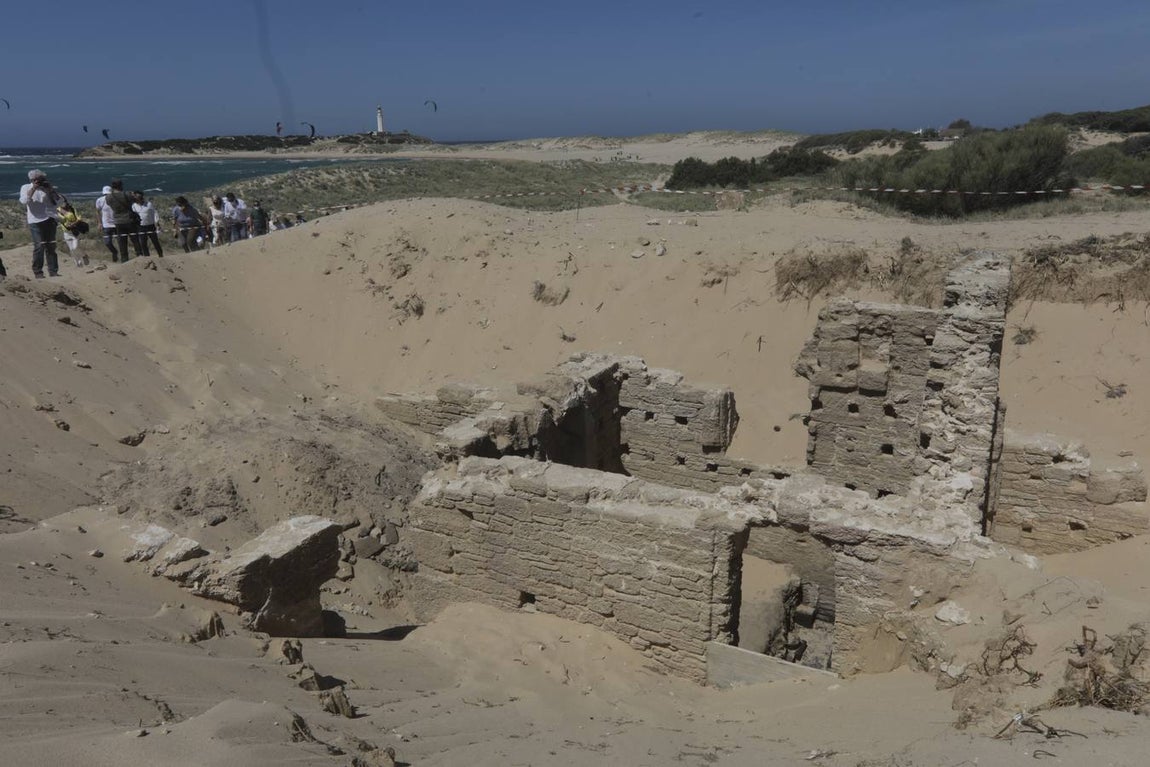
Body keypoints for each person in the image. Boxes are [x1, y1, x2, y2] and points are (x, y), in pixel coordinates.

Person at [18, 170, 60, 278]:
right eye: (39, 179)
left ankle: (53, 271)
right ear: (33, 180)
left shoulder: (46, 188)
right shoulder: (26, 187)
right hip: (35, 220)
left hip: (49, 219)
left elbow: (57, 201)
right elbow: (24, 201)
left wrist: (50, 189)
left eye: (43, 179)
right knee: (39, 246)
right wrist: (33, 188)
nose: (41, 182)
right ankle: (38, 272)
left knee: (51, 245)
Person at [104, 180, 143, 260]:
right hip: (129, 219)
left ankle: (124, 260)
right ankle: (140, 257)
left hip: (118, 221)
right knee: (135, 240)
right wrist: (132, 194)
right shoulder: (126, 194)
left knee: (122, 242)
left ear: (112, 187)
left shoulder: (108, 197)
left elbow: (108, 203)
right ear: (121, 186)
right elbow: (136, 200)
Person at [57, 200, 90, 267]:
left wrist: (73, 224)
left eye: (64, 202)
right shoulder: (57, 210)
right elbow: (60, 219)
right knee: (72, 250)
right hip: (66, 232)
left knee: (75, 247)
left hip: (74, 231)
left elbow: (78, 218)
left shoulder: (72, 209)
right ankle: (79, 264)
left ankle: (84, 255)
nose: (63, 204)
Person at [132, 191, 163, 257]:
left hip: (150, 225)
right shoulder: (134, 206)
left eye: (139, 197)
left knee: (155, 241)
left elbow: (155, 213)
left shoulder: (149, 204)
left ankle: (160, 254)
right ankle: (147, 257)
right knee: (143, 243)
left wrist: (157, 222)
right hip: (141, 227)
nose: (138, 199)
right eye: (136, 197)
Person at [95, 185, 119, 261]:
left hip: (117, 224)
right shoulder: (99, 200)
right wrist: (99, 223)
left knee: (120, 241)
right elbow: (97, 211)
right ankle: (114, 252)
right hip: (106, 225)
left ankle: (122, 259)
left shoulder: (116, 200)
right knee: (107, 242)